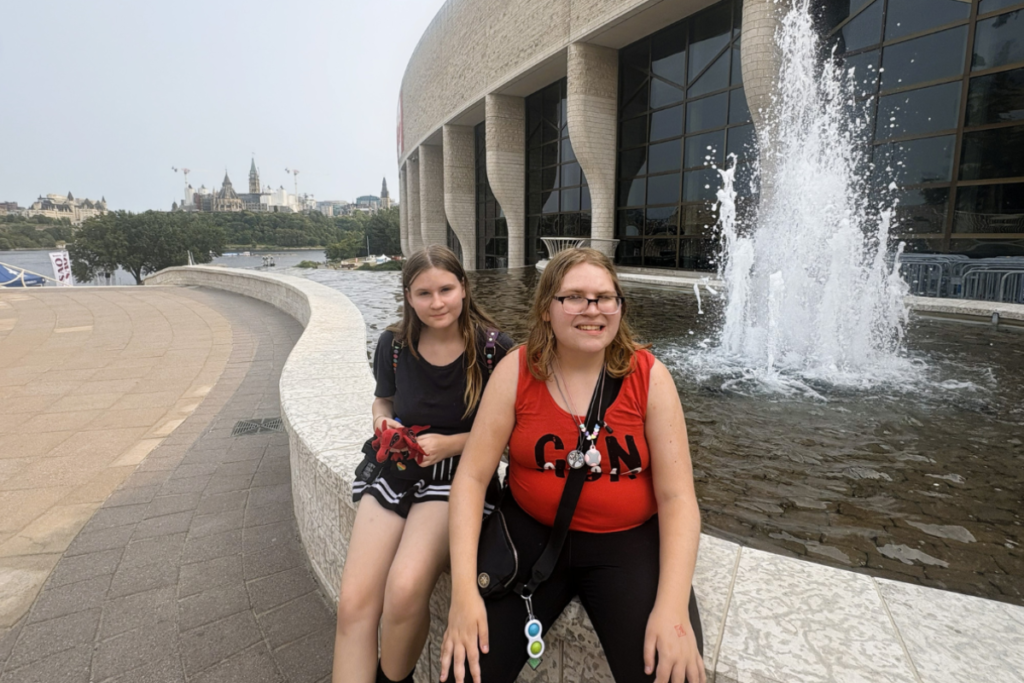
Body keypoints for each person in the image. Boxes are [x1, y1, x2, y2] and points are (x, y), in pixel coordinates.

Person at [440, 248, 705, 683]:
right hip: (530, 533)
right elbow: (471, 478)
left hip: (627, 543)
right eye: (575, 297)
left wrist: (673, 610)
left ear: (619, 307)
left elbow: (678, 498)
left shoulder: (649, 377)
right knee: (466, 672)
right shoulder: (517, 370)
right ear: (547, 308)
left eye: (605, 297)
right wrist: (463, 594)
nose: (592, 309)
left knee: (669, 673)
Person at [333, 245, 513, 683]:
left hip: (458, 476)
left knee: (404, 589)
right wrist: (381, 421)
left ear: (464, 288)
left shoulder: (494, 349)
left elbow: (512, 433)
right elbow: (384, 400)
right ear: (408, 296)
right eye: (424, 293)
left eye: (446, 289)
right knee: (353, 603)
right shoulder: (394, 344)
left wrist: (451, 445)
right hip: (396, 470)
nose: (437, 303)